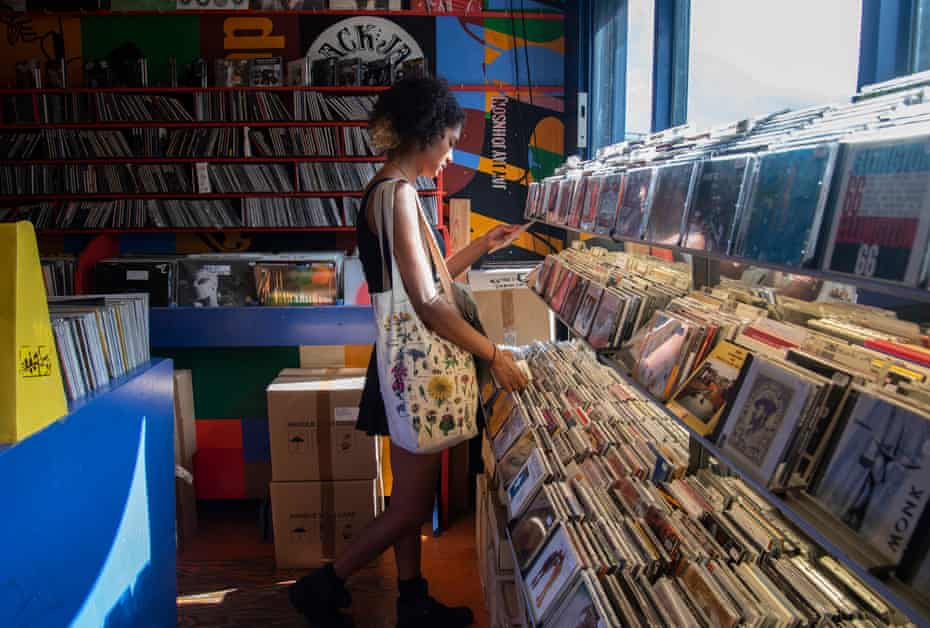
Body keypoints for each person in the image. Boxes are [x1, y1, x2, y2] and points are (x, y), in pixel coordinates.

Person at [289, 75, 530, 628]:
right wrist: (493, 353)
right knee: (412, 507)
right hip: (418, 372)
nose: (449, 156)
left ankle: (412, 599)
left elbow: (434, 282)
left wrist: (481, 245)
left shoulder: (388, 188)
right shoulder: (398, 195)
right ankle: (324, 584)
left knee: (408, 499)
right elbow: (428, 303)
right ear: (426, 134)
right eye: (448, 142)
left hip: (399, 365)